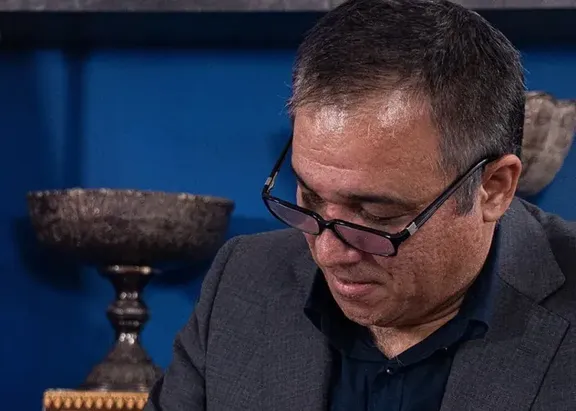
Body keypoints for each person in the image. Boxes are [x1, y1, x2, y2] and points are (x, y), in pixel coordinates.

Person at [144, 0, 576, 410]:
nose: (328, 253)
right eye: (310, 198)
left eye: (376, 216)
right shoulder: (242, 280)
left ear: (493, 189)